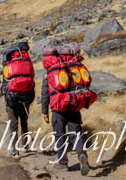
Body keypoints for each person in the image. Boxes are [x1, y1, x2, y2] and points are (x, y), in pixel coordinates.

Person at [41, 42, 96, 175]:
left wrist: (44, 111)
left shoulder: (52, 70)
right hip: (74, 104)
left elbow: (45, 93)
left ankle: (63, 163)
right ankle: (82, 155)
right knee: (75, 134)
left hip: (58, 108)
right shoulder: (75, 65)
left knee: (59, 135)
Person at [0, 40, 35, 160]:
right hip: (26, 97)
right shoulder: (28, 62)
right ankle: (25, 146)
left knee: (13, 125)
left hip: (12, 98)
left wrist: (4, 92)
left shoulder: (8, 63)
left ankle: (14, 151)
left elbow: (5, 80)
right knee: (24, 122)